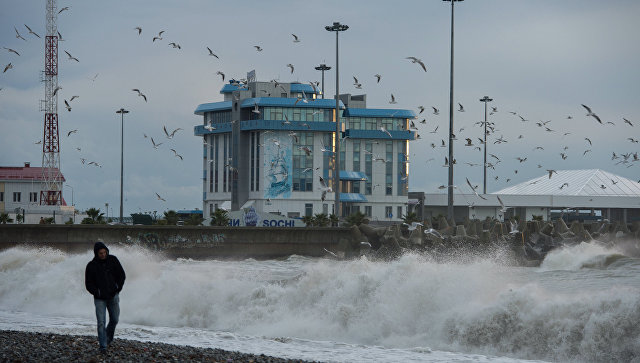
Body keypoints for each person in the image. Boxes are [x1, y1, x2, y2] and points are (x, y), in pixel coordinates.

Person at [85, 241, 126, 354]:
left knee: (114, 319)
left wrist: (118, 288)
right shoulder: (91, 265)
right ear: (96, 253)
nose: (103, 255)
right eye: (100, 253)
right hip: (99, 298)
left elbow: (122, 275)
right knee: (101, 322)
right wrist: (96, 292)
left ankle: (108, 338)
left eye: (104, 252)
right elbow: (88, 284)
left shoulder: (113, 260)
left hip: (113, 296)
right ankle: (103, 346)